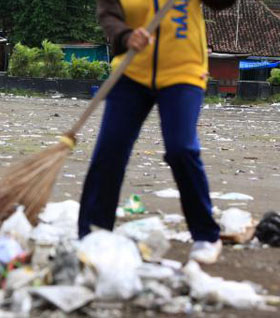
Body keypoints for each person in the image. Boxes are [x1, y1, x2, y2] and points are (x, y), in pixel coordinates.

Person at [78, 0, 238, 265]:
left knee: (181, 149)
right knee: (110, 151)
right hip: (131, 72)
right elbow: (109, 16)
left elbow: (222, 3)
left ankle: (206, 235)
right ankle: (93, 233)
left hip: (183, 73)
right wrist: (127, 35)